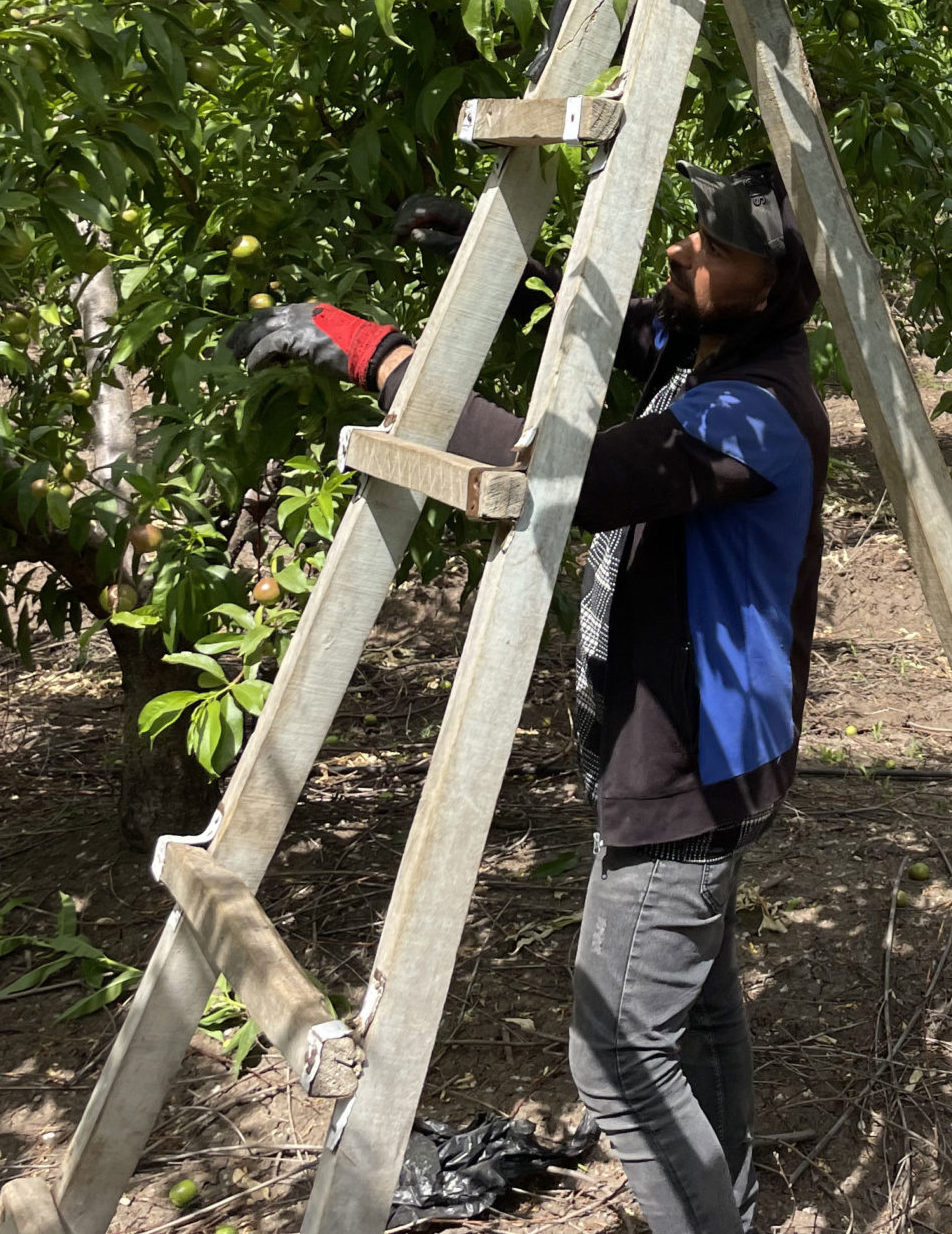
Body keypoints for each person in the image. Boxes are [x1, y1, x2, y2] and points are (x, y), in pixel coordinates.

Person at [228, 163, 827, 1234]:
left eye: (716, 244)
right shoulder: (709, 348)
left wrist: (381, 354)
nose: (686, 247)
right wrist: (505, 271)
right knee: (694, 1013)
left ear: (776, 284)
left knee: (615, 1055)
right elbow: (611, 332)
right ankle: (723, 1202)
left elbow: (561, 477)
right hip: (700, 751)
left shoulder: (755, 413)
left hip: (690, 764)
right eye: (692, 227)